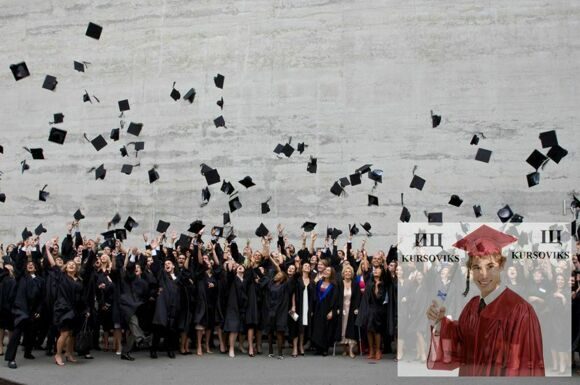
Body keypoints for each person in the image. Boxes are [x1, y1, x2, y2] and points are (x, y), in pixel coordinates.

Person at [426, 224, 545, 376]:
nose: (483, 275)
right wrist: (439, 322)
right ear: (471, 270)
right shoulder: (472, 306)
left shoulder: (520, 310)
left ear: (501, 266)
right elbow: (460, 343)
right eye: (477, 267)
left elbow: (524, 366)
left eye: (490, 266)